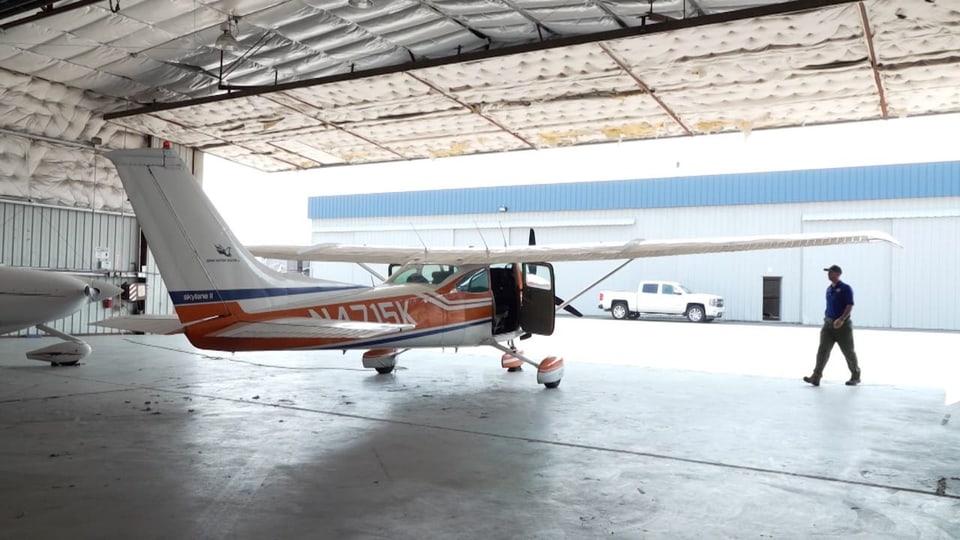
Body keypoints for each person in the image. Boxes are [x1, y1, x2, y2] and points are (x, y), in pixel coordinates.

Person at [803, 265, 861, 386]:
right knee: (822, 350)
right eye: (828, 272)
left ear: (838, 274)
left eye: (831, 272)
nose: (828, 274)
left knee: (848, 351)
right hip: (828, 325)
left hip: (842, 326)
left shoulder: (846, 288)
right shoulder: (829, 289)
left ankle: (855, 376)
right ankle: (816, 376)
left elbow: (849, 305)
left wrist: (842, 319)